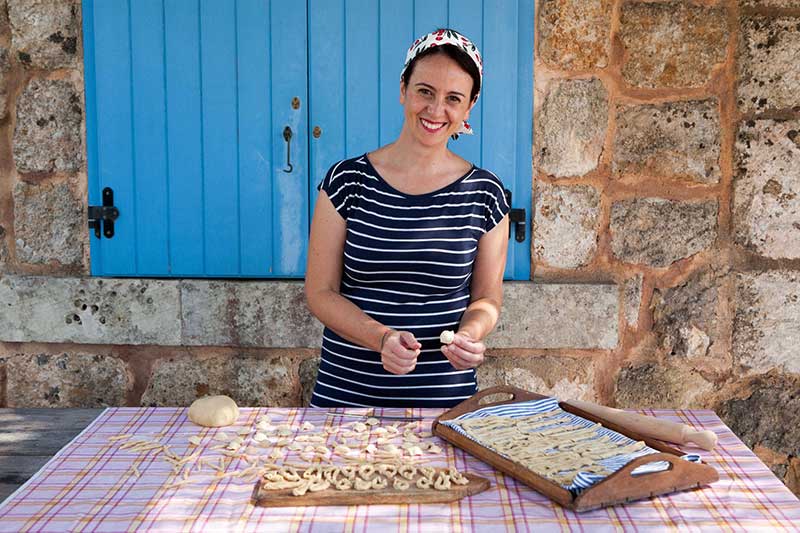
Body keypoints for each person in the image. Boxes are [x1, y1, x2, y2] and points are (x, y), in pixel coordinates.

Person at [305, 28, 510, 408]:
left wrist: (470, 334)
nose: (436, 110)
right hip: (345, 402)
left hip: (445, 408)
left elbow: (486, 298)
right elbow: (320, 292)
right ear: (403, 89)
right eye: (425, 91)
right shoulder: (346, 181)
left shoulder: (486, 194)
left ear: (469, 107)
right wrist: (380, 338)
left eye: (453, 98)